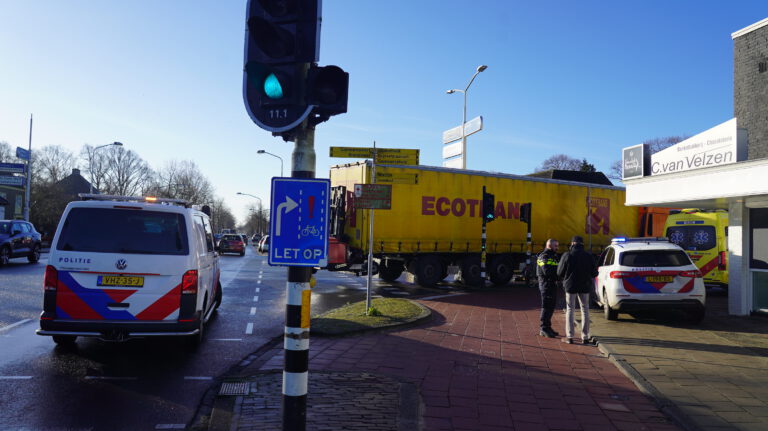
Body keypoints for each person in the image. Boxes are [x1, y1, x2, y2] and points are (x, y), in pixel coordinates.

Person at [557, 235, 598, 345]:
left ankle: (570, 337)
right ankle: (585, 337)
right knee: (585, 309)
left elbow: (559, 272)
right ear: (582, 244)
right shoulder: (588, 256)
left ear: (573, 243)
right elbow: (595, 273)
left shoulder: (567, 255)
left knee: (570, 309)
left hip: (570, 286)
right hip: (584, 286)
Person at [536, 239, 560, 338]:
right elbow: (547, 271)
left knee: (551, 307)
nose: (557, 248)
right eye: (555, 246)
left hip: (552, 284)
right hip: (546, 285)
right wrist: (558, 275)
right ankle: (543, 328)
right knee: (546, 307)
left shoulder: (553, 256)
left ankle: (548, 327)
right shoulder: (543, 256)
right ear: (550, 246)